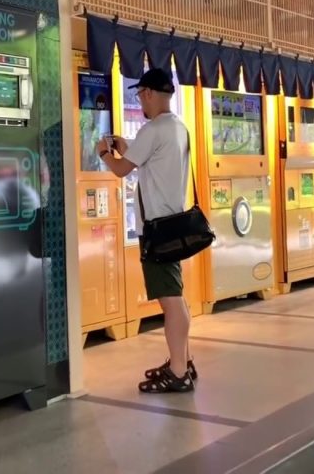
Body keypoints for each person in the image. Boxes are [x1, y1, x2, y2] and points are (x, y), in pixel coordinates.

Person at [95, 67, 195, 394]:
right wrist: (127, 147)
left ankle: (178, 372)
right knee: (176, 297)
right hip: (173, 222)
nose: (140, 102)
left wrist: (104, 154)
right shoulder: (177, 127)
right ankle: (183, 360)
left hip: (158, 228)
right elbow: (147, 160)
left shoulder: (154, 129)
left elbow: (123, 170)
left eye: (140, 95)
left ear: (150, 93)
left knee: (171, 301)